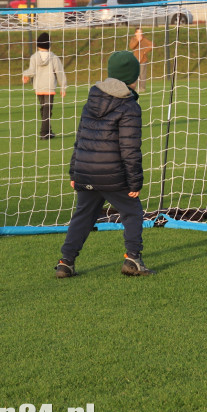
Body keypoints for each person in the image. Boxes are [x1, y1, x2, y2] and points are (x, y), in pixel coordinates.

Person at [55, 51, 153, 277]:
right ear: (132, 77)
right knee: (132, 212)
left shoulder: (91, 100)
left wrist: (74, 172)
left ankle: (65, 262)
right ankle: (133, 259)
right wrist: (135, 182)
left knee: (83, 215)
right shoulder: (130, 106)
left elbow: (80, 139)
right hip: (112, 174)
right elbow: (130, 149)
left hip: (86, 171)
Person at [22, 32, 67, 139]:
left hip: (39, 87)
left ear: (38, 44)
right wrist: (63, 87)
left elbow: (32, 71)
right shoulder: (54, 58)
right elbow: (60, 73)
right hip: (49, 87)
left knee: (44, 109)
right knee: (47, 110)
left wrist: (25, 75)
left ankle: (48, 131)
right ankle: (44, 133)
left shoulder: (34, 57)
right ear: (49, 45)